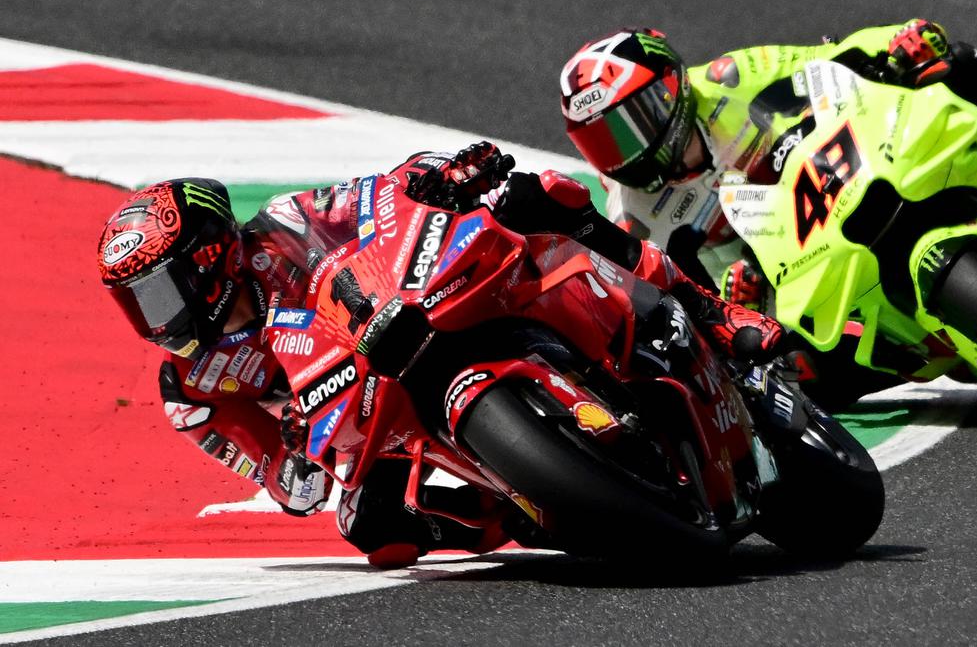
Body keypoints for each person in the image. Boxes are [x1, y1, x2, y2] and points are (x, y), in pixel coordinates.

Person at [96, 143, 783, 569]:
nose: (154, 320)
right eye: (137, 305)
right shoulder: (192, 389)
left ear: (209, 258)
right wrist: (297, 455)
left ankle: (712, 313)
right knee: (373, 532)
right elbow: (287, 484)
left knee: (539, 196)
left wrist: (437, 177)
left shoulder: (283, 224)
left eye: (158, 293)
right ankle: (525, 508)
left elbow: (375, 197)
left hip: (408, 308)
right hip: (364, 420)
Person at [558, 21, 977, 400]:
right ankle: (935, 344)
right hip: (801, 283)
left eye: (632, 124)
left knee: (955, 63)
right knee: (791, 375)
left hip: (854, 174)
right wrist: (734, 299)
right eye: (603, 142)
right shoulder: (635, 217)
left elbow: (827, 59)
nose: (626, 151)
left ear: (672, 87)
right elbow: (679, 302)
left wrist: (896, 43)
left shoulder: (728, 77)